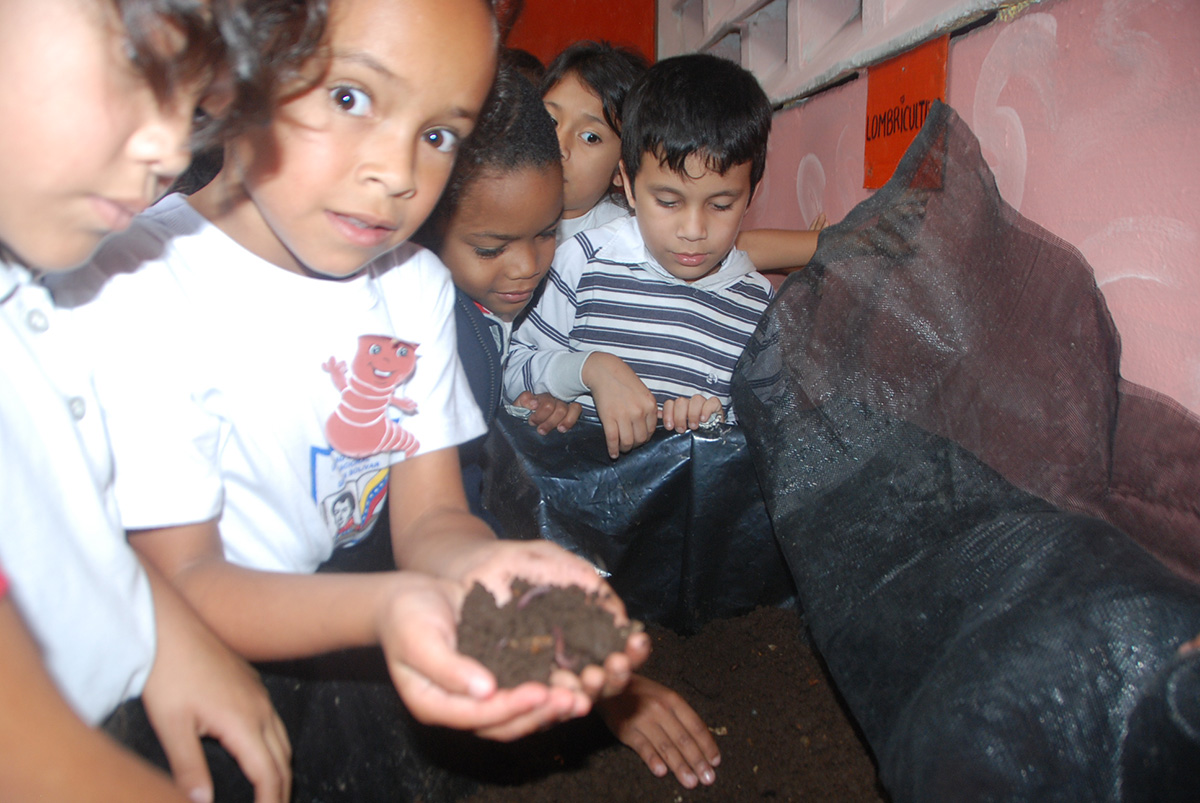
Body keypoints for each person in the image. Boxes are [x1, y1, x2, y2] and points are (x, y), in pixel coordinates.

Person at [53, 0, 647, 752]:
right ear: (237, 71)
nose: (397, 174)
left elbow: (429, 518)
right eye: (350, 98)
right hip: (139, 675)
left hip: (308, 612)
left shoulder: (411, 288)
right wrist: (391, 606)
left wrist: (481, 571)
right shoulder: (139, 286)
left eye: (438, 135)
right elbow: (189, 578)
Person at [0, 1, 295, 801]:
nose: (172, 147)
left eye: (194, 105)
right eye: (139, 68)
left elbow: (59, 510)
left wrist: (155, 625)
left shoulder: (34, 276)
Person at [414, 65, 721, 789]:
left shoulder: (479, 314)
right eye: (492, 247)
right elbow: (449, 532)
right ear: (425, 217)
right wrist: (594, 679)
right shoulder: (441, 337)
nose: (526, 267)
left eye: (548, 232)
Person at [506, 53, 779, 459]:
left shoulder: (759, 306)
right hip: (576, 507)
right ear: (630, 187)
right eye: (668, 201)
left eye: (720, 205)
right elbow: (513, 369)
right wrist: (586, 370)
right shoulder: (583, 262)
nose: (693, 230)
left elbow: (771, 429)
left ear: (751, 196)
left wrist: (715, 424)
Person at [542, 40, 825, 269]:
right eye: (550, 120)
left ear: (623, 172)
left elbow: (742, 249)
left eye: (591, 137)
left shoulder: (624, 230)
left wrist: (823, 246)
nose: (559, 146)